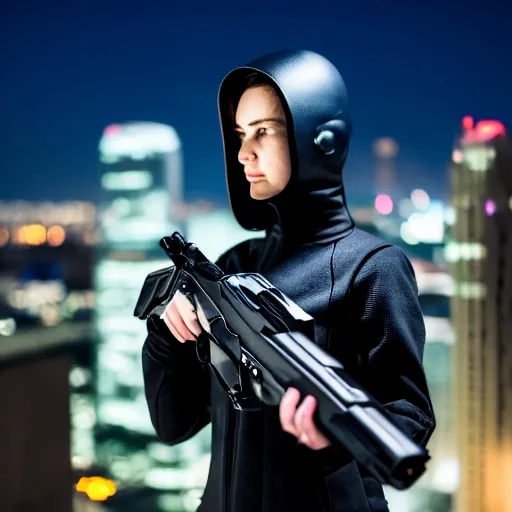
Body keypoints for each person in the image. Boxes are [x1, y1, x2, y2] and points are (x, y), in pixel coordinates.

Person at [142, 49, 435, 512]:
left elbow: (410, 416)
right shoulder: (233, 264)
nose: (243, 153)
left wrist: (337, 439)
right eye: (240, 134)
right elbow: (172, 424)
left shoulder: (373, 266)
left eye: (264, 131)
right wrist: (167, 336)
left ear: (319, 138)